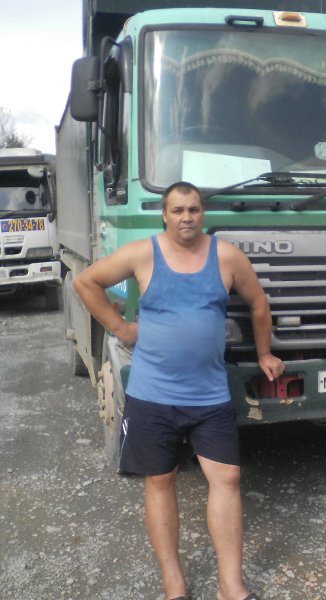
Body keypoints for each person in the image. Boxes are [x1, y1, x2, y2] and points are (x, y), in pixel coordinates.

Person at [73, 181, 284, 600]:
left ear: (202, 213)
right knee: (160, 479)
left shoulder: (226, 256)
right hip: (152, 394)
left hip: (209, 395)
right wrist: (120, 328)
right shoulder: (142, 253)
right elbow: (85, 282)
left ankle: (230, 586)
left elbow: (259, 304)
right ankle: (174, 584)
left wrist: (264, 353)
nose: (187, 217)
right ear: (164, 215)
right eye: (178, 210)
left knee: (227, 477)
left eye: (194, 209)